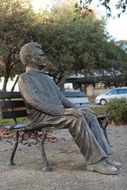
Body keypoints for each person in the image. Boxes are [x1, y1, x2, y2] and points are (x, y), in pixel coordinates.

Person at [18, 42, 121, 175]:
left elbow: (61, 98)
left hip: (55, 115)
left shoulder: (47, 78)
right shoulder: (25, 78)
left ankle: (105, 157)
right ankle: (95, 162)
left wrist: (76, 108)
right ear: (29, 58)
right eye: (41, 55)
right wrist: (63, 111)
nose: (45, 57)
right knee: (75, 118)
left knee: (87, 114)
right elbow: (35, 102)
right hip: (41, 117)